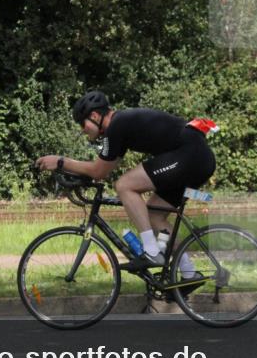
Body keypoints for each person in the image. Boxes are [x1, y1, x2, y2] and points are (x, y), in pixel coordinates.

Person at [35, 91, 216, 278]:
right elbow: (102, 170)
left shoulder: (116, 126)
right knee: (154, 216)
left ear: (95, 116)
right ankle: (189, 274)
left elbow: (98, 171)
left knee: (124, 185)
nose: (82, 129)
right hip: (195, 157)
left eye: (82, 123)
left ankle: (152, 252)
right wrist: (69, 169)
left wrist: (61, 162)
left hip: (190, 156)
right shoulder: (120, 126)